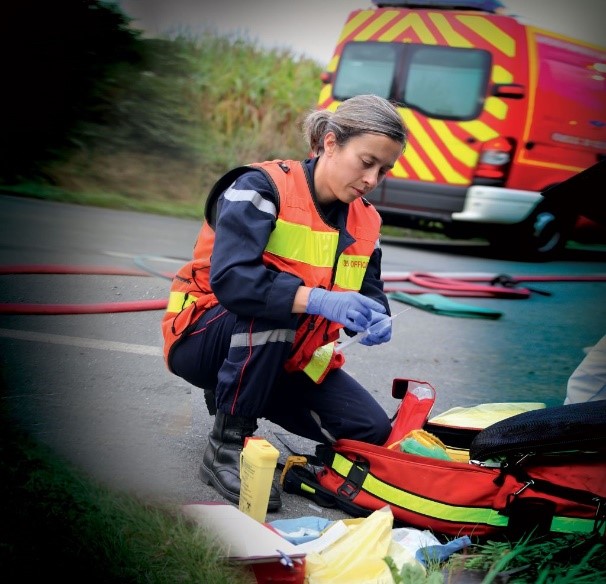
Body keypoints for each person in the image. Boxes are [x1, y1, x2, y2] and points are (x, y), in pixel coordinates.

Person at [161, 94, 408, 510]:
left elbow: (368, 288)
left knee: (371, 432)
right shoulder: (260, 187)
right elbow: (233, 281)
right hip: (202, 337)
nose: (372, 179)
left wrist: (374, 315)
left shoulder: (367, 220)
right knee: (275, 308)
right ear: (330, 143)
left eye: (384, 170)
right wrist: (319, 301)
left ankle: (244, 398)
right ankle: (227, 442)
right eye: (366, 162)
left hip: (286, 355)